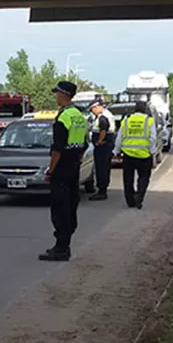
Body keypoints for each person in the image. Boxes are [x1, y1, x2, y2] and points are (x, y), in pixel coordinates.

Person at [38, 81, 88, 262]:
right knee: (71, 206)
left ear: (63, 95)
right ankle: (65, 244)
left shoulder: (63, 118)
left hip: (61, 170)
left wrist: (51, 170)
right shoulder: (79, 116)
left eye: (57, 93)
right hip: (74, 167)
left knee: (60, 209)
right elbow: (84, 144)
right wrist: (77, 160)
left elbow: (57, 149)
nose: (55, 96)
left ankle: (61, 248)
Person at [114, 102, 158, 210]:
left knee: (128, 179)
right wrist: (152, 151)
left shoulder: (126, 121)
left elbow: (120, 138)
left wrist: (116, 151)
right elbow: (153, 138)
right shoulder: (149, 121)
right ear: (145, 110)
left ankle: (130, 201)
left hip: (128, 155)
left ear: (134, 110)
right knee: (144, 178)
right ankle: (139, 196)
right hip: (144, 155)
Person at [87, 98, 116, 201]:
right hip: (106, 146)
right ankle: (102, 189)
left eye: (92, 109)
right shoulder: (107, 114)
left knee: (101, 169)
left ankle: (101, 191)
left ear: (97, 107)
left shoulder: (102, 117)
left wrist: (99, 141)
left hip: (102, 147)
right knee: (104, 168)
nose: (92, 112)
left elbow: (103, 129)